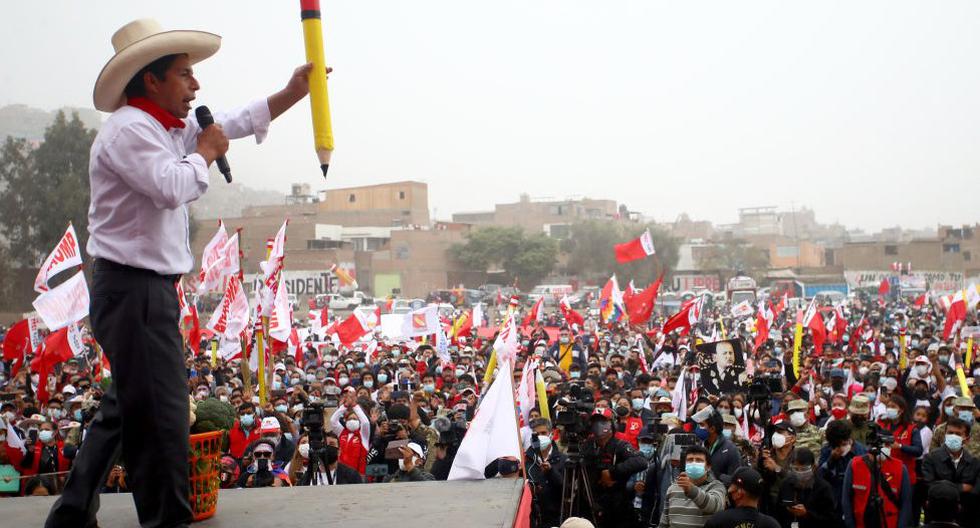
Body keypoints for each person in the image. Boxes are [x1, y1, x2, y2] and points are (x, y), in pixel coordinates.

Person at [46, 17, 320, 527]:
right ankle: (165, 520)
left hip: (142, 291)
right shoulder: (129, 132)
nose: (196, 85)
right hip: (133, 289)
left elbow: (233, 121)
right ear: (151, 79)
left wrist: (291, 93)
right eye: (185, 74)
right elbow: (171, 186)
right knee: (163, 420)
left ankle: (72, 512)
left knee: (125, 408)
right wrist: (204, 155)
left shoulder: (169, 127)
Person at [582, 407, 648, 527]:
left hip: (617, 505)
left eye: (603, 422)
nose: (598, 426)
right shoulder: (586, 445)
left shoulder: (620, 445)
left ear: (612, 424)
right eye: (595, 422)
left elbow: (641, 461)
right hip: (589, 502)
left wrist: (612, 472)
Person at [842, 437, 913, 528]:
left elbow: (906, 504)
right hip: (861, 523)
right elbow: (846, 500)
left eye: (887, 445)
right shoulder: (854, 465)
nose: (885, 448)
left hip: (889, 523)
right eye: (882, 445)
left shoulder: (900, 468)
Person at [920, 418, 979, 525]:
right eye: (950, 433)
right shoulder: (931, 458)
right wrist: (961, 487)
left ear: (967, 438)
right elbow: (930, 486)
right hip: (937, 518)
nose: (953, 436)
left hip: (966, 518)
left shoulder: (974, 462)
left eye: (958, 434)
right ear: (945, 435)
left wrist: (944, 487)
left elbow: (975, 492)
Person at [658, 444, 727, 528]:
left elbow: (715, 506)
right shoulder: (673, 488)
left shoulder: (716, 486)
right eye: (690, 460)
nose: (694, 463)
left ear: (708, 467)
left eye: (699, 460)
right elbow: (664, 522)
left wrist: (691, 490)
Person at [775, 447, 841, 528]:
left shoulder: (824, 488)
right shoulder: (786, 484)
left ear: (813, 467)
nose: (799, 472)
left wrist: (807, 514)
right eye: (795, 469)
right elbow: (778, 511)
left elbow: (830, 519)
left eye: (803, 469)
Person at [705, 467, 780, 528]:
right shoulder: (771, 524)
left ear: (739, 494)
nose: (729, 490)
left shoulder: (718, 521)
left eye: (731, 486)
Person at [525, 418, 566, 528]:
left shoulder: (563, 460)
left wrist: (551, 471)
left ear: (551, 434)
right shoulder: (526, 461)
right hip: (534, 519)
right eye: (536, 434)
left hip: (557, 519)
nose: (540, 436)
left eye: (543, 433)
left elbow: (565, 488)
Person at [693, 407, 742, 485]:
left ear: (712, 429)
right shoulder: (700, 446)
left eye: (701, 424)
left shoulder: (731, 449)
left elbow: (735, 480)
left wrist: (716, 475)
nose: (698, 428)